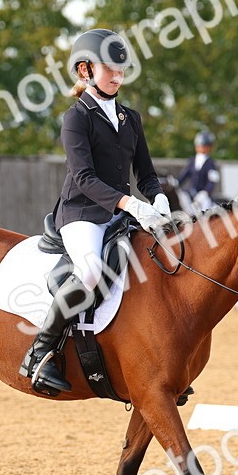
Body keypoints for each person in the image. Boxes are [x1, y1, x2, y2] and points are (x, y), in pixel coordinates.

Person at [19, 28, 171, 395]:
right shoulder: (77, 117)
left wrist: (158, 198)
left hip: (122, 214)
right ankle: (40, 353)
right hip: (82, 213)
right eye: (110, 70)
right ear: (85, 70)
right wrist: (131, 203)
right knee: (88, 271)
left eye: (121, 70)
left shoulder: (130, 118)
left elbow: (146, 173)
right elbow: (84, 177)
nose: (118, 77)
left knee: (157, 263)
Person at [175, 130, 220, 214]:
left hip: (203, 196)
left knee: (205, 209)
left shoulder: (211, 163)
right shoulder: (192, 161)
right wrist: (175, 183)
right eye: (200, 146)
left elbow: (212, 181)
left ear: (209, 147)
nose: (202, 148)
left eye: (204, 146)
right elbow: (184, 176)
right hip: (191, 193)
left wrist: (205, 192)